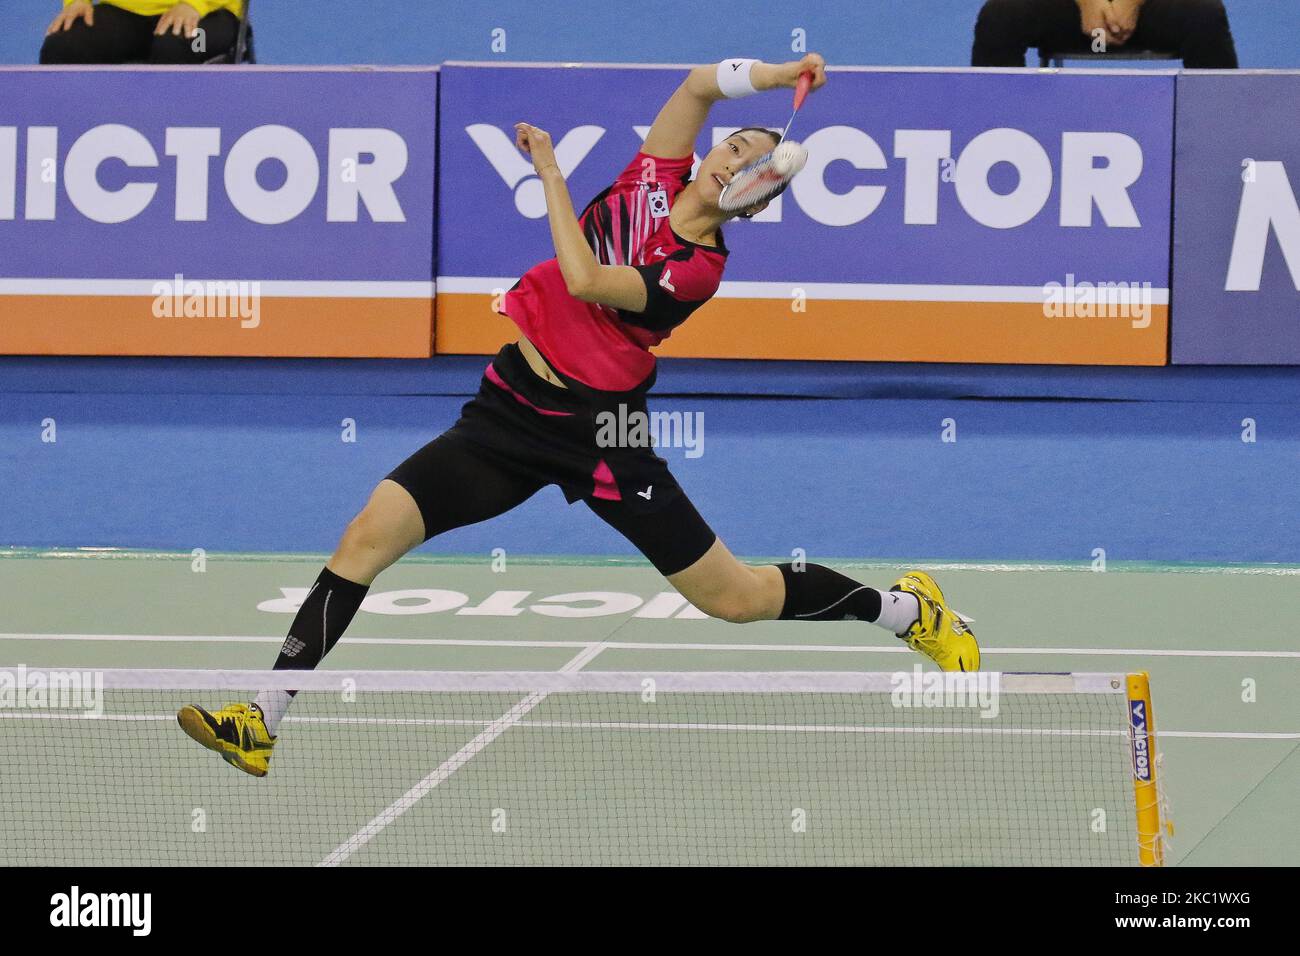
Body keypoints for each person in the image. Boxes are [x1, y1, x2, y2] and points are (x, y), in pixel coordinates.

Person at [175, 53, 981, 777]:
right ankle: (262, 719)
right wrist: (779, 76)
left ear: (755, 194)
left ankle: (908, 611)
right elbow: (700, 83)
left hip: (604, 438)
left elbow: (590, 281)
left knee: (734, 597)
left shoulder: (698, 269)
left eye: (748, 158)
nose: (726, 154)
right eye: (730, 144)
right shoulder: (652, 177)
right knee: (364, 538)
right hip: (505, 414)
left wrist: (552, 175)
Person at [972, 0, 1239, 68]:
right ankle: (997, 131)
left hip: (1149, 11)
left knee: (1205, 15)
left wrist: (1132, 2)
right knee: (1000, 17)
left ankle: (1219, 136)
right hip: (1072, 12)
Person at [41, 0, 245, 65]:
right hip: (126, 12)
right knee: (63, 45)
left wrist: (194, 5)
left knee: (177, 46)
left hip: (206, 17)